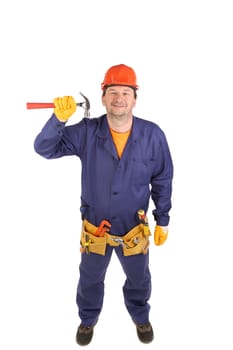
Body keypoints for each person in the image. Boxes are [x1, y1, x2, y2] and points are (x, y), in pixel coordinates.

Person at [34, 64, 173, 345]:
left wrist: (164, 219)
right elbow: (44, 148)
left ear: (135, 98)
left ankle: (140, 315)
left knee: (138, 278)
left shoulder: (153, 135)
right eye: (112, 92)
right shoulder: (87, 131)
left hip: (134, 228)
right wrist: (57, 121)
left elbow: (163, 178)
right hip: (95, 227)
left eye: (125, 92)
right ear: (102, 97)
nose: (118, 98)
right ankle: (87, 319)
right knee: (90, 279)